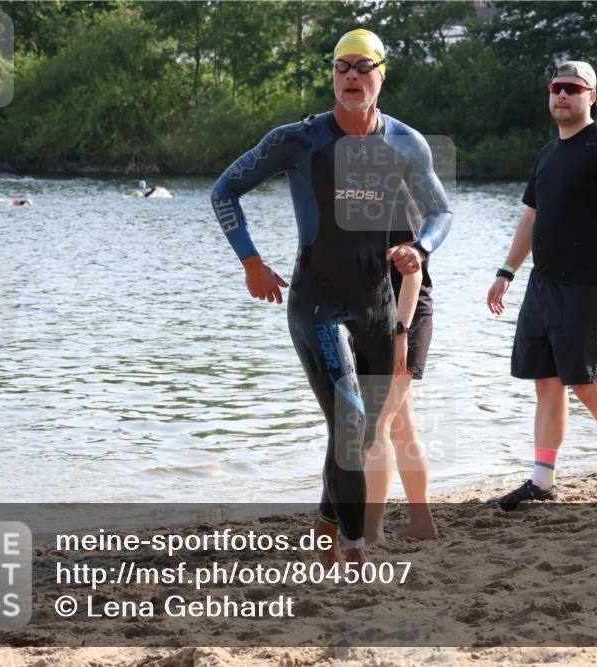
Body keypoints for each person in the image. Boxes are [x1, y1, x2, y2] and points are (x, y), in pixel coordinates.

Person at [210, 29, 451, 564]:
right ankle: (353, 543)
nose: (351, 77)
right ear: (332, 75)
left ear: (382, 75)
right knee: (346, 414)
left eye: (363, 68)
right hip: (315, 296)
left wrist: (422, 249)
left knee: (363, 432)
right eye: (342, 67)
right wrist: (251, 262)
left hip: (375, 303)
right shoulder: (299, 140)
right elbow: (224, 189)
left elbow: (440, 212)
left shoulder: (406, 142)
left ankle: (326, 518)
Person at [486, 61, 597, 507]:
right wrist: (506, 272)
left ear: (591, 97)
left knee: (586, 382)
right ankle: (542, 482)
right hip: (543, 286)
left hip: (589, 285)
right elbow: (531, 217)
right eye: (556, 88)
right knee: (545, 381)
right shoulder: (548, 154)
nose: (562, 95)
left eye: (572, 89)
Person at [363, 192, 437, 543]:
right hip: (373, 319)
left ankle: (371, 529)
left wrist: (401, 332)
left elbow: (413, 273)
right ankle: (422, 522)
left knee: (376, 423)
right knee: (401, 427)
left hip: (403, 320)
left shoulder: (398, 196)